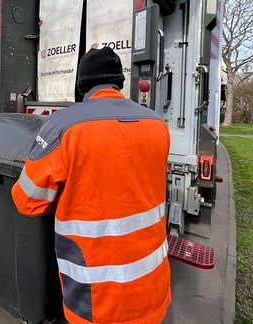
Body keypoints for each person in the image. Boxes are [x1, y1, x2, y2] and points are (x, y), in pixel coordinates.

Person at [11, 47, 172, 323]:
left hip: (97, 303)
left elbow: (27, 201)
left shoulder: (63, 125)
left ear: (82, 86)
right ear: (119, 83)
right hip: (155, 292)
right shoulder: (157, 124)